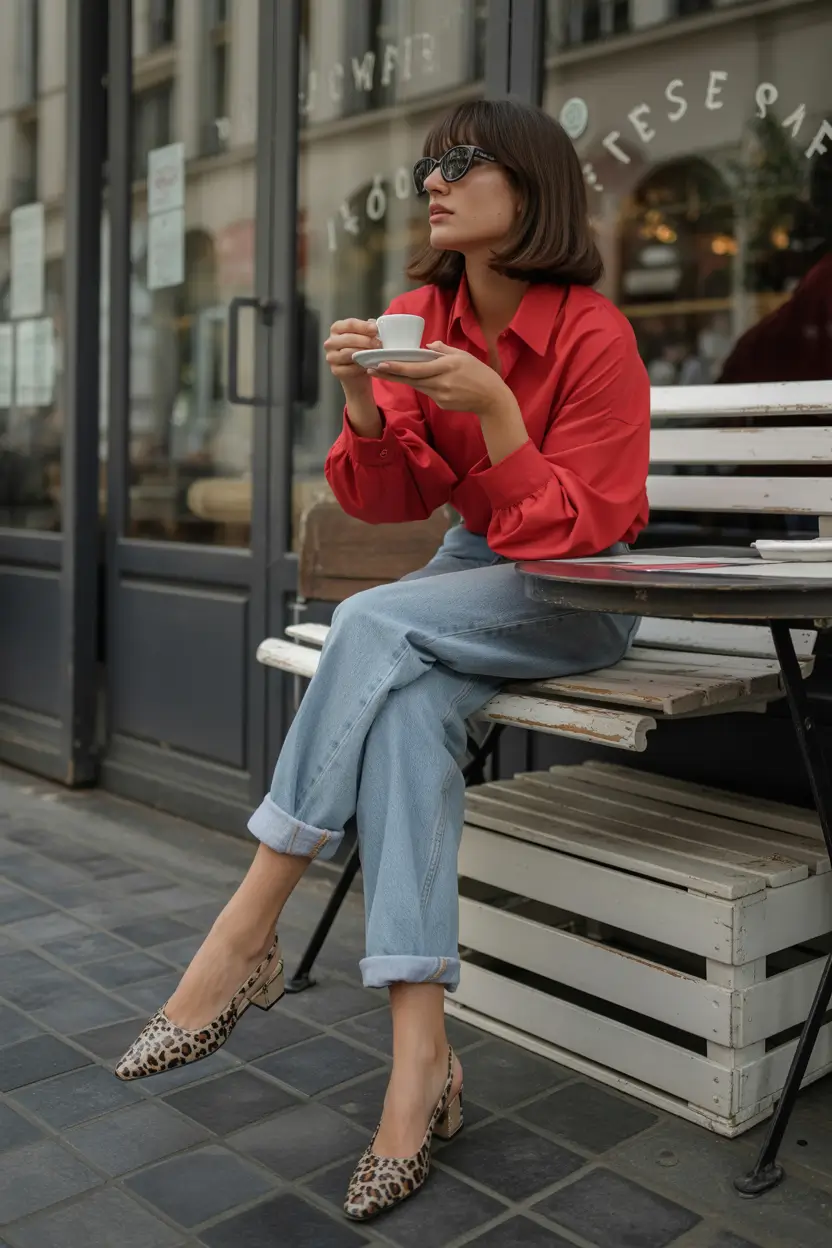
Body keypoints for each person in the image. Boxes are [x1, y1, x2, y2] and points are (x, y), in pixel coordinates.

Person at [114, 99, 651, 1222]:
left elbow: (583, 529)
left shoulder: (594, 334)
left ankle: (242, 934)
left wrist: (498, 413)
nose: (433, 182)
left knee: (366, 623)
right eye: (428, 166)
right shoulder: (418, 316)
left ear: (533, 186)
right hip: (470, 572)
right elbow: (394, 496)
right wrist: (362, 400)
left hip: (580, 590)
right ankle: (421, 1071)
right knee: (405, 721)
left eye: (463, 162)